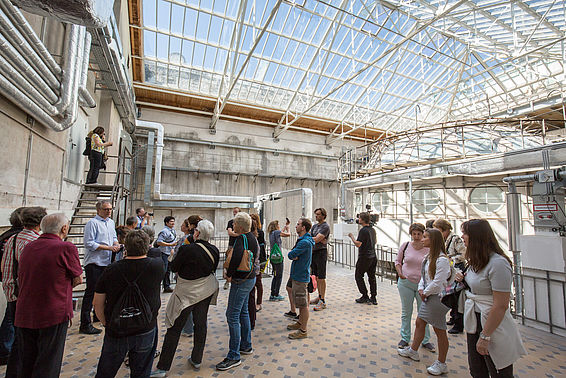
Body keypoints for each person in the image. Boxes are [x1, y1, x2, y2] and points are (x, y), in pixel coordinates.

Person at [15, 213, 83, 378]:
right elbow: (78, 279)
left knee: (27, 361)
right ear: (64, 228)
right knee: (48, 362)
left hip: (25, 312)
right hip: (53, 312)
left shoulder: (29, 247)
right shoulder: (66, 247)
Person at [456, 219, 526, 378]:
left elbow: (501, 305)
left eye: (465, 233)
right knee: (477, 369)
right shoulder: (475, 261)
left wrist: (485, 336)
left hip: (491, 323)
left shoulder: (498, 263)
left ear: (476, 237)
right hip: (475, 319)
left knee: (498, 369)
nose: (462, 237)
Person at [151, 220, 220, 377]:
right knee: (200, 324)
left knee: (175, 327)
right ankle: (197, 359)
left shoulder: (186, 249)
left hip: (186, 293)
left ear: (197, 233)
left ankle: (163, 367)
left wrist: (174, 255)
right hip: (205, 292)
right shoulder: (214, 250)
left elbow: (174, 267)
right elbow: (213, 269)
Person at [93, 230, 164, 378]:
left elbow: (97, 303)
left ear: (125, 248)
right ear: (147, 246)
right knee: (141, 371)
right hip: (146, 327)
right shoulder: (156, 266)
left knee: (106, 371)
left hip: (117, 328)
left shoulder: (111, 270)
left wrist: (107, 323)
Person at [398, 228, 452, 376]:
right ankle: (413, 350)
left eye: (426, 237)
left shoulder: (441, 260)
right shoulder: (429, 257)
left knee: (439, 330)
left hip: (437, 298)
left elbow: (438, 282)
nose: (422, 239)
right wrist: (422, 288)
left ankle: (441, 363)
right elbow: (425, 276)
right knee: (420, 322)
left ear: (433, 240)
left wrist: (425, 292)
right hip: (429, 295)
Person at [1, 207, 46, 377]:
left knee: (19, 339)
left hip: (12, 292)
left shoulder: (12, 238)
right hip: (26, 297)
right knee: (25, 341)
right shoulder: (35, 242)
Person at [216, 212, 259, 371]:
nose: (232, 226)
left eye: (234, 224)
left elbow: (236, 257)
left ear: (239, 226)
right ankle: (246, 346)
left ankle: (234, 356)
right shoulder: (252, 237)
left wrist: (230, 273)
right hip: (250, 278)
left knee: (232, 315)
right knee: (243, 312)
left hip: (241, 280)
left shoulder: (241, 238)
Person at [81, 200, 120, 335]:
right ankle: (85, 322)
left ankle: (98, 315)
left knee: (104, 290)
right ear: (99, 210)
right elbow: (89, 243)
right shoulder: (92, 223)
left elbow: (113, 237)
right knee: (91, 291)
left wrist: (116, 244)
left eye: (110, 209)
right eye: (105, 209)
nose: (108, 211)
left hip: (107, 261)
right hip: (95, 262)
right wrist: (109, 247)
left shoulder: (110, 222)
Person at [394, 223, 435, 352]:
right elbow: (398, 261)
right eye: (414, 234)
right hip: (406, 282)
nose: (416, 237)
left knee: (423, 313)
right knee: (406, 311)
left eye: (419, 234)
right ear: (411, 234)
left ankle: (425, 339)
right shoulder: (406, 246)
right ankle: (405, 337)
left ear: (423, 234)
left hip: (422, 286)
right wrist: (400, 273)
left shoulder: (428, 248)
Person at [0, 207, 24, 366]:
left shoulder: (5, 235)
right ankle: (6, 350)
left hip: (7, 282)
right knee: (11, 318)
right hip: (16, 284)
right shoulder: (18, 238)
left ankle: (6, 349)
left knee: (10, 316)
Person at [434, 218, 466, 334]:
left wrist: (450, 259)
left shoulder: (455, 239)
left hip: (457, 270)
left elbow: (463, 254)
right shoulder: (444, 240)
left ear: (445, 230)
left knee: (457, 297)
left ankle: (459, 324)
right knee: (451, 295)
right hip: (450, 271)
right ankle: (453, 317)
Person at [285, 217, 314, 339]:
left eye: (298, 224)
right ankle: (300, 323)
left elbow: (291, 254)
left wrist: (294, 254)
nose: (296, 226)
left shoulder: (304, 242)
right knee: (300, 301)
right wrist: (294, 254)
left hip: (300, 276)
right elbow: (293, 253)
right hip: (297, 274)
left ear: (303, 228)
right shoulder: (303, 240)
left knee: (302, 305)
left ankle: (303, 331)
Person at [348, 212, 377, 305]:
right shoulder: (372, 230)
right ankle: (373, 297)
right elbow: (375, 241)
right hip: (373, 256)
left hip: (364, 257)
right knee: (372, 277)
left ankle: (364, 295)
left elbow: (358, 244)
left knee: (358, 275)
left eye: (360, 218)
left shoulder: (363, 230)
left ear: (363, 220)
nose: (358, 219)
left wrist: (352, 237)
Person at [310, 208, 330, 311]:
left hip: (321, 253)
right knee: (316, 277)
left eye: (318, 214)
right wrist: (315, 239)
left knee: (321, 277)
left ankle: (322, 301)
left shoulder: (325, 226)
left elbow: (317, 239)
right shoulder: (315, 226)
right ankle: (319, 296)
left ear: (323, 215)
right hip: (314, 252)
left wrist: (315, 239)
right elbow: (313, 237)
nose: (316, 216)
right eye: (316, 214)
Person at [267, 219, 290, 302]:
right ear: (276, 226)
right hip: (278, 258)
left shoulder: (271, 233)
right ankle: (276, 294)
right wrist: (288, 229)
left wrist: (285, 226)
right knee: (279, 276)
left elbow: (280, 232)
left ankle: (273, 293)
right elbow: (288, 235)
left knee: (275, 275)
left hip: (273, 257)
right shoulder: (276, 232)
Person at [156, 216, 177, 293]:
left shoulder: (173, 231)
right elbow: (159, 242)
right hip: (164, 253)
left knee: (168, 271)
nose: (173, 223)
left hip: (169, 253)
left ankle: (166, 286)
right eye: (171, 221)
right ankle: (157, 286)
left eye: (173, 221)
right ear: (166, 223)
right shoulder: (164, 231)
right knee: (163, 270)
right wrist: (170, 244)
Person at [250, 214, 265, 312]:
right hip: (252, 262)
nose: (252, 220)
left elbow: (261, 248)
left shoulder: (259, 232)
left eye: (254, 219)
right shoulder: (248, 233)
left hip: (258, 261)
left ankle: (259, 303)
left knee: (258, 282)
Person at [224, 207, 241, 290]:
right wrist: (239, 234)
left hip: (239, 245)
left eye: (236, 212)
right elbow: (230, 232)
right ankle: (227, 281)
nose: (235, 213)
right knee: (228, 262)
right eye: (234, 212)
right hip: (231, 245)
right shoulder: (230, 222)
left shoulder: (241, 223)